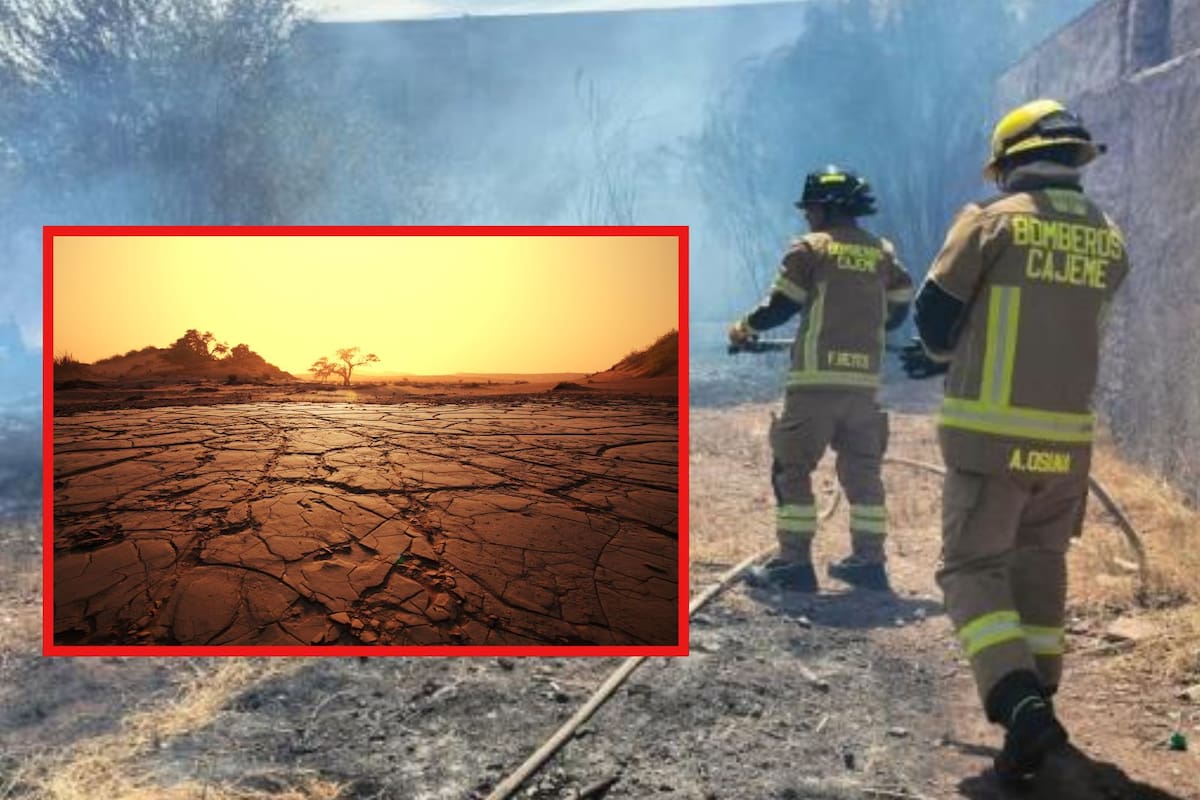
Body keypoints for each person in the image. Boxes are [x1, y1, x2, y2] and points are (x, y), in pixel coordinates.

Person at [900, 99, 1129, 781]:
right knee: (1039, 566)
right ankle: (1036, 723)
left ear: (1009, 165)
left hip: (991, 442)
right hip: (1066, 447)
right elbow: (1046, 325)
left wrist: (943, 355)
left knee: (972, 570)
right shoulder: (1110, 238)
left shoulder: (991, 224)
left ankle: (1021, 709)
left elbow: (937, 326)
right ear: (1076, 160)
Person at [729, 166, 913, 593]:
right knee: (863, 472)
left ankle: (793, 565)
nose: (807, 215)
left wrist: (745, 328)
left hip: (815, 385)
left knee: (791, 467)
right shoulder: (882, 252)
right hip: (864, 385)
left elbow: (781, 305)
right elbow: (902, 305)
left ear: (827, 207)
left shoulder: (810, 249)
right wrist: (867, 327)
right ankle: (870, 563)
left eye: (810, 207)